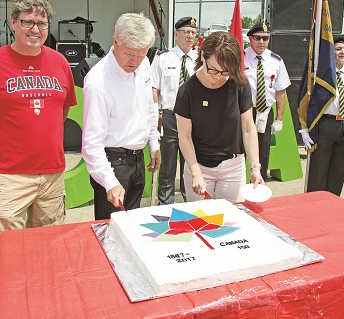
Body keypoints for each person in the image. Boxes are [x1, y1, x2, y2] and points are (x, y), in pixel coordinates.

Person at [0, 0, 77, 319]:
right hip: (10, 176)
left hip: (52, 174)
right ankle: (2, 299)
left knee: (48, 239)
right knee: (6, 244)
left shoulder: (59, 63)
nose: (35, 29)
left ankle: (42, 297)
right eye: (28, 22)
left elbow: (64, 108)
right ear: (13, 23)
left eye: (41, 23)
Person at [82, 12, 160, 220]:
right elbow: (91, 144)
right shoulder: (98, 82)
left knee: (133, 226)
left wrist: (153, 143)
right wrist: (110, 181)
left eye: (141, 54)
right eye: (129, 54)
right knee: (111, 230)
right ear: (115, 41)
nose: (135, 61)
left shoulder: (143, 65)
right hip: (112, 162)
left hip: (138, 159)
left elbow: (148, 107)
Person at [174, 31, 264, 202]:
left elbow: (248, 128)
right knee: (199, 221)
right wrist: (196, 173)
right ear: (202, 56)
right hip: (199, 166)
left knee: (232, 219)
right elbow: (184, 137)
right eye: (213, 70)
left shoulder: (239, 85)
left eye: (225, 72)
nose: (217, 77)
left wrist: (255, 167)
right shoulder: (187, 91)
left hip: (233, 167)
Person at [300, 34, 344, 196]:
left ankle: (332, 202)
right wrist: (304, 128)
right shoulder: (320, 75)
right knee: (319, 169)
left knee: (339, 169)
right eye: (338, 49)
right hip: (326, 124)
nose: (342, 52)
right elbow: (305, 103)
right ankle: (314, 202)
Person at [150, 16, 198, 205]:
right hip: (170, 118)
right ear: (176, 34)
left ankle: (191, 203)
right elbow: (154, 89)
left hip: (194, 120)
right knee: (168, 167)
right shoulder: (163, 58)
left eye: (193, 32)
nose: (189, 36)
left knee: (191, 164)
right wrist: (155, 120)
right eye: (186, 32)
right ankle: (165, 205)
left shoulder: (200, 59)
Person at [244, 21, 291, 180]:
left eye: (266, 38)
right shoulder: (241, 58)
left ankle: (258, 188)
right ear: (250, 38)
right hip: (244, 112)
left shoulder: (276, 61)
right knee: (238, 152)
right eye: (258, 38)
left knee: (263, 153)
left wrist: (279, 119)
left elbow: (281, 91)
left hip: (264, 112)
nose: (262, 42)